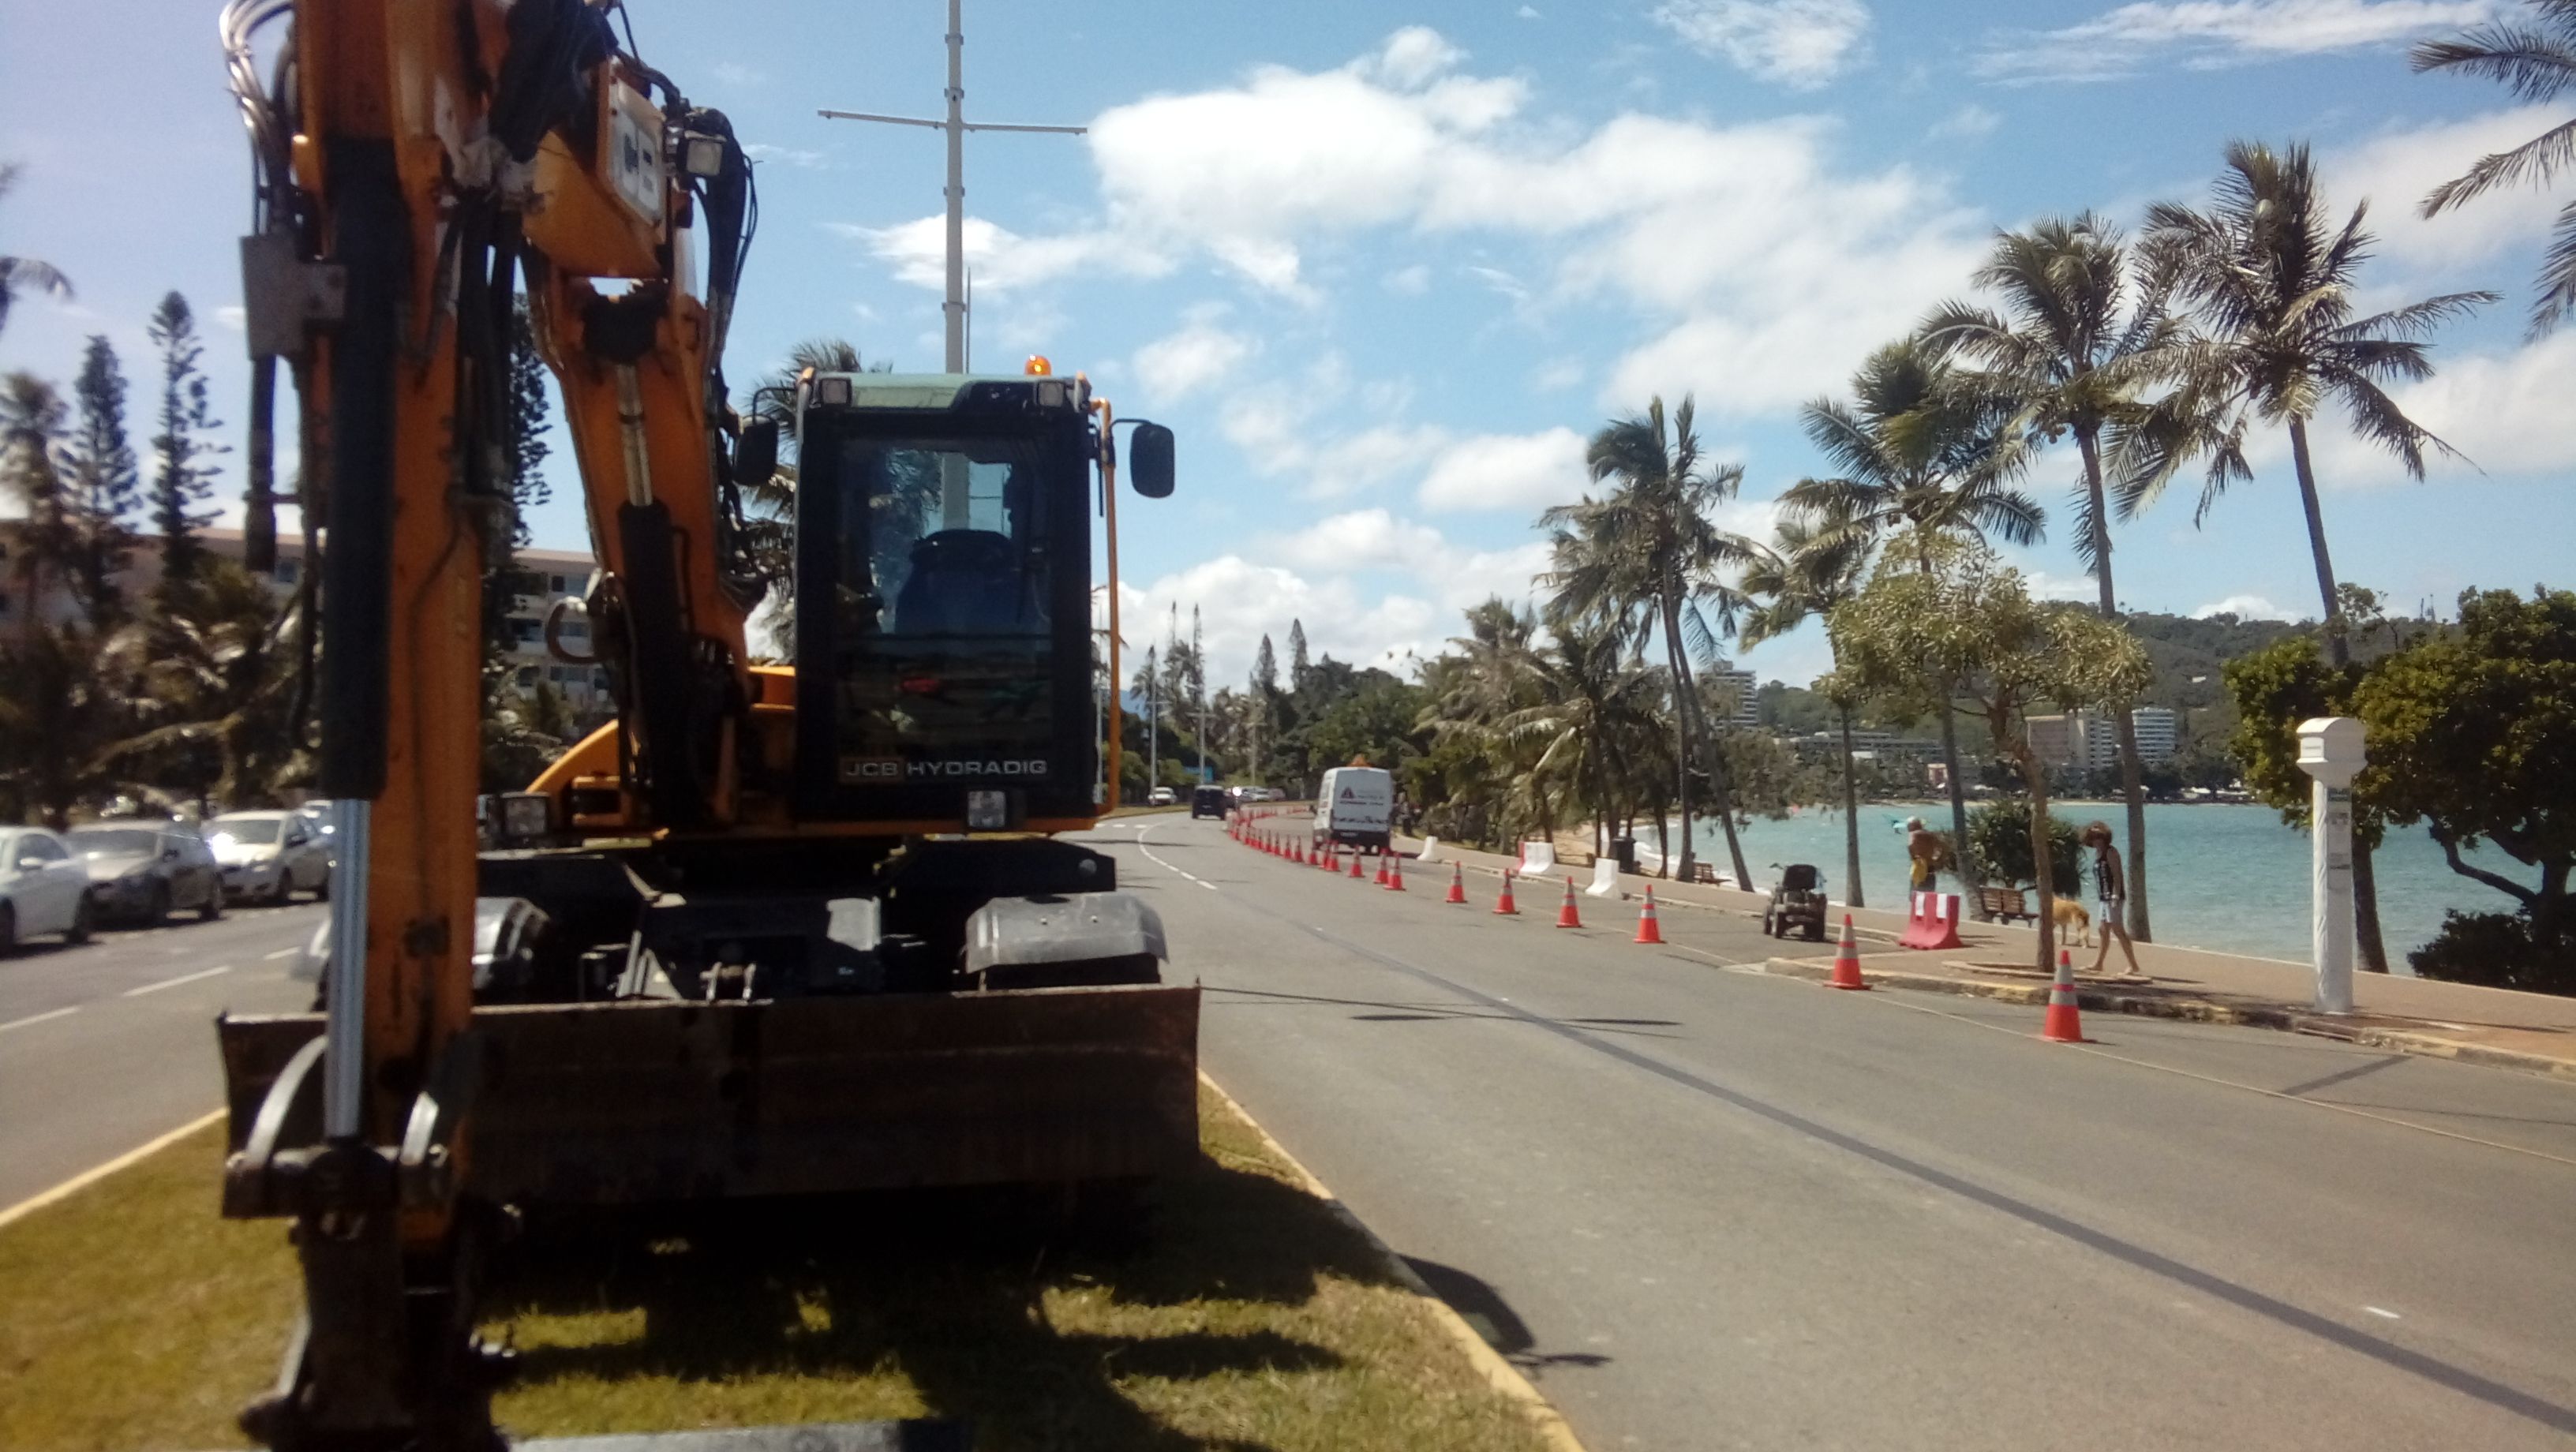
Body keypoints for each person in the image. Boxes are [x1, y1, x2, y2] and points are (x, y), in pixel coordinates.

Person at [2083, 821, 2143, 979]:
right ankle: (2099, 963)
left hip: (2113, 897)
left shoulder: (2111, 852)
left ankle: (2133, 965)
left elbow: (2117, 875)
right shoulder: (2098, 854)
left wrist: (2116, 894)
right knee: (2103, 930)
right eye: (2093, 839)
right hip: (2103, 897)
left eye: (2098, 838)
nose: (2096, 842)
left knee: (2118, 930)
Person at [1905, 818, 1949, 893]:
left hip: (1919, 866)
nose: (1907, 828)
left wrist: (1913, 856)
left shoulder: (1913, 833)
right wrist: (1939, 859)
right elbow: (1943, 846)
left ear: (1913, 826)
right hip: (1930, 866)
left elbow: (1910, 845)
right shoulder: (1930, 835)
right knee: (1929, 894)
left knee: (1915, 895)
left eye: (1908, 826)